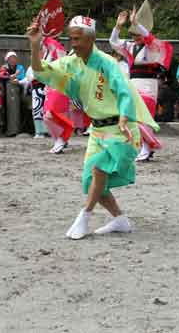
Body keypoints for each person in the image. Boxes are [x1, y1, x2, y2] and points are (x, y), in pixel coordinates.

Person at [28, 15, 158, 239]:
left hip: (121, 130)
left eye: (77, 39)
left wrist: (126, 118)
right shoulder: (72, 62)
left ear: (91, 39)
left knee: (99, 170)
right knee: (91, 182)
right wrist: (34, 44)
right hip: (97, 131)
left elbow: (124, 92)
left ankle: (84, 217)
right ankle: (120, 219)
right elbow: (41, 71)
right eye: (72, 38)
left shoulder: (107, 62)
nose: (73, 43)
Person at [110, 0, 173, 162]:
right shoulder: (130, 47)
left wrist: (137, 23)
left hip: (148, 85)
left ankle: (147, 147)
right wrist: (118, 26)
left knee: (143, 118)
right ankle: (145, 147)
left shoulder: (153, 46)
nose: (135, 37)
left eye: (137, 33)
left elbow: (149, 37)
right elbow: (113, 43)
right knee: (132, 117)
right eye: (133, 34)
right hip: (134, 84)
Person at [0, 51, 26, 136]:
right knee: (7, 110)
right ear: (7, 59)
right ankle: (8, 130)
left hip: (19, 89)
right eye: (11, 58)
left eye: (14, 58)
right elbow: (3, 76)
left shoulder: (20, 67)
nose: (13, 60)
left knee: (19, 109)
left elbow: (22, 77)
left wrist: (14, 77)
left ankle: (17, 129)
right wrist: (13, 76)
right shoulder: (4, 67)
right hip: (6, 91)